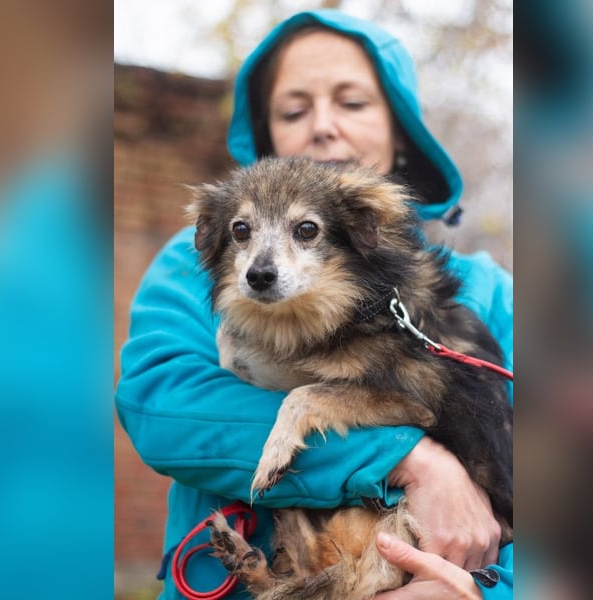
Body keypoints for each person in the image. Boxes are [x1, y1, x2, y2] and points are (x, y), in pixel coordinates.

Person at [116, 9, 512, 600]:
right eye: (294, 109)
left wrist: (485, 590)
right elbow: (159, 403)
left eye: (352, 103)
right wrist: (409, 458)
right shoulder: (206, 257)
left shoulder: (482, 288)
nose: (323, 126)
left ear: (401, 128)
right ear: (267, 134)